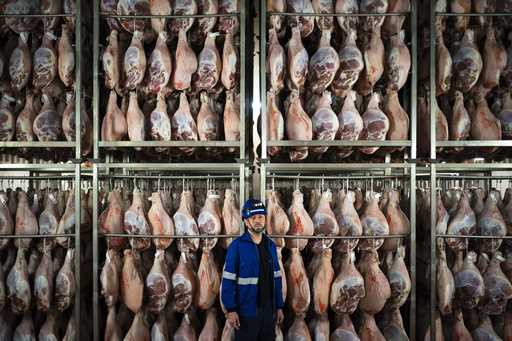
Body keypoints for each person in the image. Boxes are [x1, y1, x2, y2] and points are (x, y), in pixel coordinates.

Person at [220, 198, 284, 340]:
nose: (257, 221)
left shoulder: (270, 246)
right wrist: (231, 309)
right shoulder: (236, 247)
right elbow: (228, 281)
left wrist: (279, 306)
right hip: (245, 313)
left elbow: (277, 278)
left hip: (268, 312)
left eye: (261, 217)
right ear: (245, 221)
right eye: (253, 217)